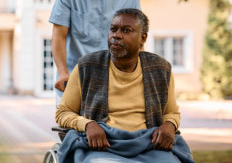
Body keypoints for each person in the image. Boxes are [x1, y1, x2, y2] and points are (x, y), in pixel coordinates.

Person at [55, 9, 194, 163]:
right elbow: (63, 113)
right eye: (113, 29)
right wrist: (88, 125)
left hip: (149, 144)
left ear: (143, 38)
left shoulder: (160, 69)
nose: (116, 35)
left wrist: (169, 125)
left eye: (126, 30)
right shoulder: (87, 66)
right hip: (103, 145)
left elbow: (172, 112)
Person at [49, 0, 140, 103]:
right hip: (73, 85)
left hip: (113, 87)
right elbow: (58, 36)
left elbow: (135, 43)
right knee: (72, 130)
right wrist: (62, 72)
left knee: (114, 130)